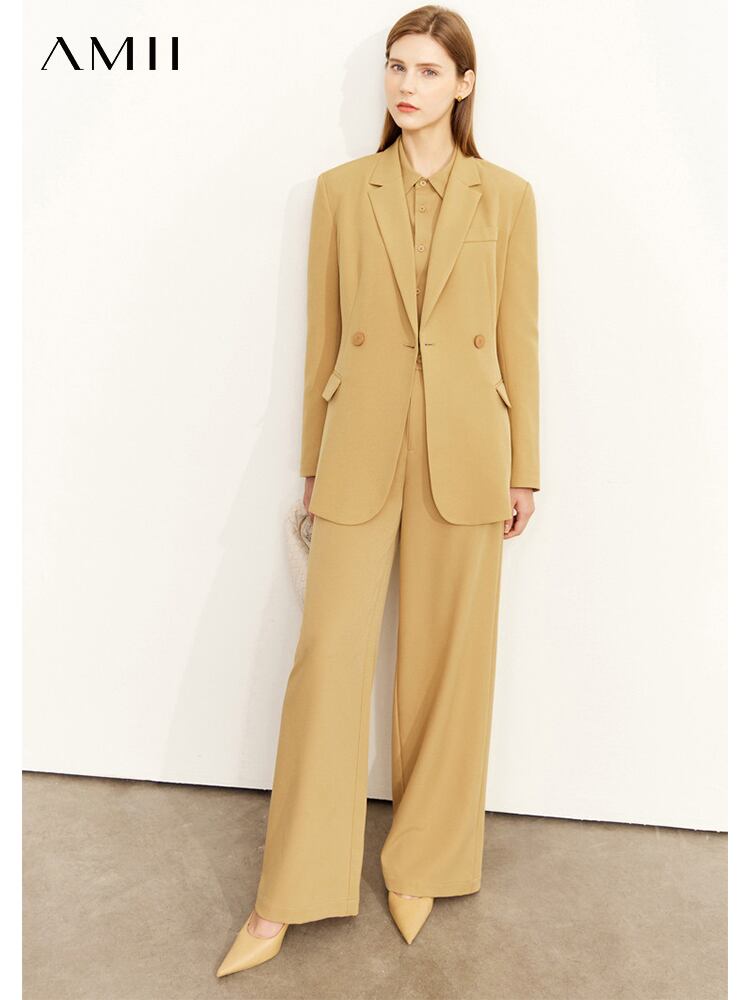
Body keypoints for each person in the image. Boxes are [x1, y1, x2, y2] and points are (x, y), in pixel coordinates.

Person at [217, 3, 539, 977]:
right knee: (328, 661)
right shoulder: (339, 192)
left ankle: (424, 860)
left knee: (450, 663)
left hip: (467, 447)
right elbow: (322, 335)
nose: (407, 85)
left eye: (429, 70)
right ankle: (285, 892)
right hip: (359, 442)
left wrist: (526, 466)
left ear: (465, 85)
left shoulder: (507, 198)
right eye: (397, 66)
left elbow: (519, 336)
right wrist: (311, 461)